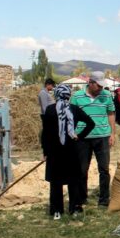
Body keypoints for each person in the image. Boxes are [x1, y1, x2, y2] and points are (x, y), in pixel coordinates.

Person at [41, 85, 95, 220]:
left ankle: (56, 210)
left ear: (56, 95)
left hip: (55, 152)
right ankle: (74, 208)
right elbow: (90, 123)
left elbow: (45, 134)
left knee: (56, 182)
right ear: (68, 95)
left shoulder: (50, 110)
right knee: (73, 181)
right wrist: (79, 136)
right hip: (72, 150)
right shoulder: (74, 109)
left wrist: (45, 151)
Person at [70, 71, 116, 207]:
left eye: (102, 85)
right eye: (98, 85)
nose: (101, 88)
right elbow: (71, 117)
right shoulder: (77, 97)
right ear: (90, 83)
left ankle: (104, 200)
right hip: (83, 138)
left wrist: (112, 133)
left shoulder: (107, 96)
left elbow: (111, 114)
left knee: (104, 169)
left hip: (102, 137)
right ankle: (82, 198)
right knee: (82, 169)